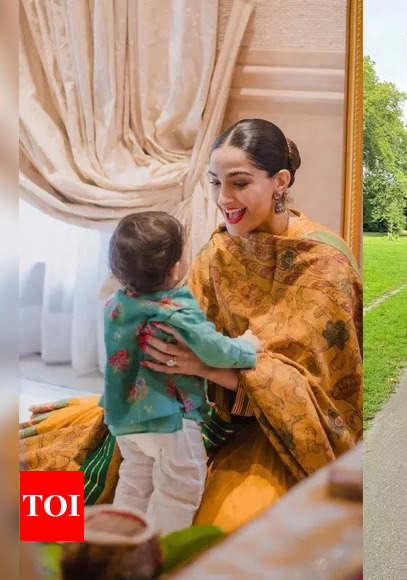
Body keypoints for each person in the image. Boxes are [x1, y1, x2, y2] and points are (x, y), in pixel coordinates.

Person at [19, 118, 363, 532]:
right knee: (73, 488)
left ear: (280, 181)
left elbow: (318, 393)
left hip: (277, 433)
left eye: (239, 183)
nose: (224, 199)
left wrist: (202, 367)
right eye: (216, 183)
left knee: (229, 527)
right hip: (194, 409)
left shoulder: (325, 266)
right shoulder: (221, 249)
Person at [103, 211, 263, 534]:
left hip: (123, 419)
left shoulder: (115, 304)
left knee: (134, 481)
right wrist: (248, 346)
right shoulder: (176, 313)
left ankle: (117, 544)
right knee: (181, 485)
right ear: (176, 267)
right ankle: (160, 551)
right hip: (169, 421)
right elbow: (215, 349)